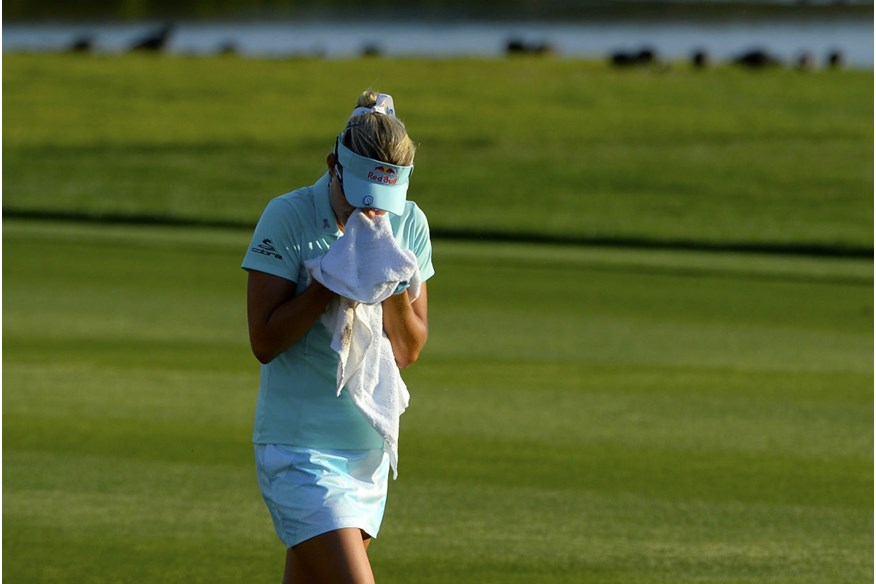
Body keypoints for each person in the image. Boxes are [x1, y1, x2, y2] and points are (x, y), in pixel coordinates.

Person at [242, 90, 434, 584]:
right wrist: (329, 280)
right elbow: (264, 341)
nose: (372, 212)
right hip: (298, 451)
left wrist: (385, 278)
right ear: (334, 166)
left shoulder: (409, 223)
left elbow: (408, 350)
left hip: (366, 455)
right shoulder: (287, 216)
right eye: (360, 195)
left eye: (383, 201)